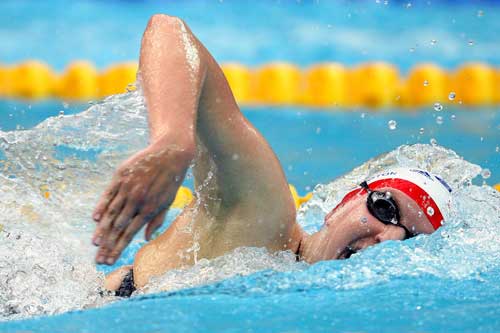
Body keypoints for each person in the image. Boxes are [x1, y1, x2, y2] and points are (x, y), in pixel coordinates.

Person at [91, 14, 452, 296]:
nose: (389, 240)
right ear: (343, 203)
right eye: (385, 208)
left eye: (410, 239)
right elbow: (168, 31)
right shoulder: (262, 212)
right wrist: (173, 140)